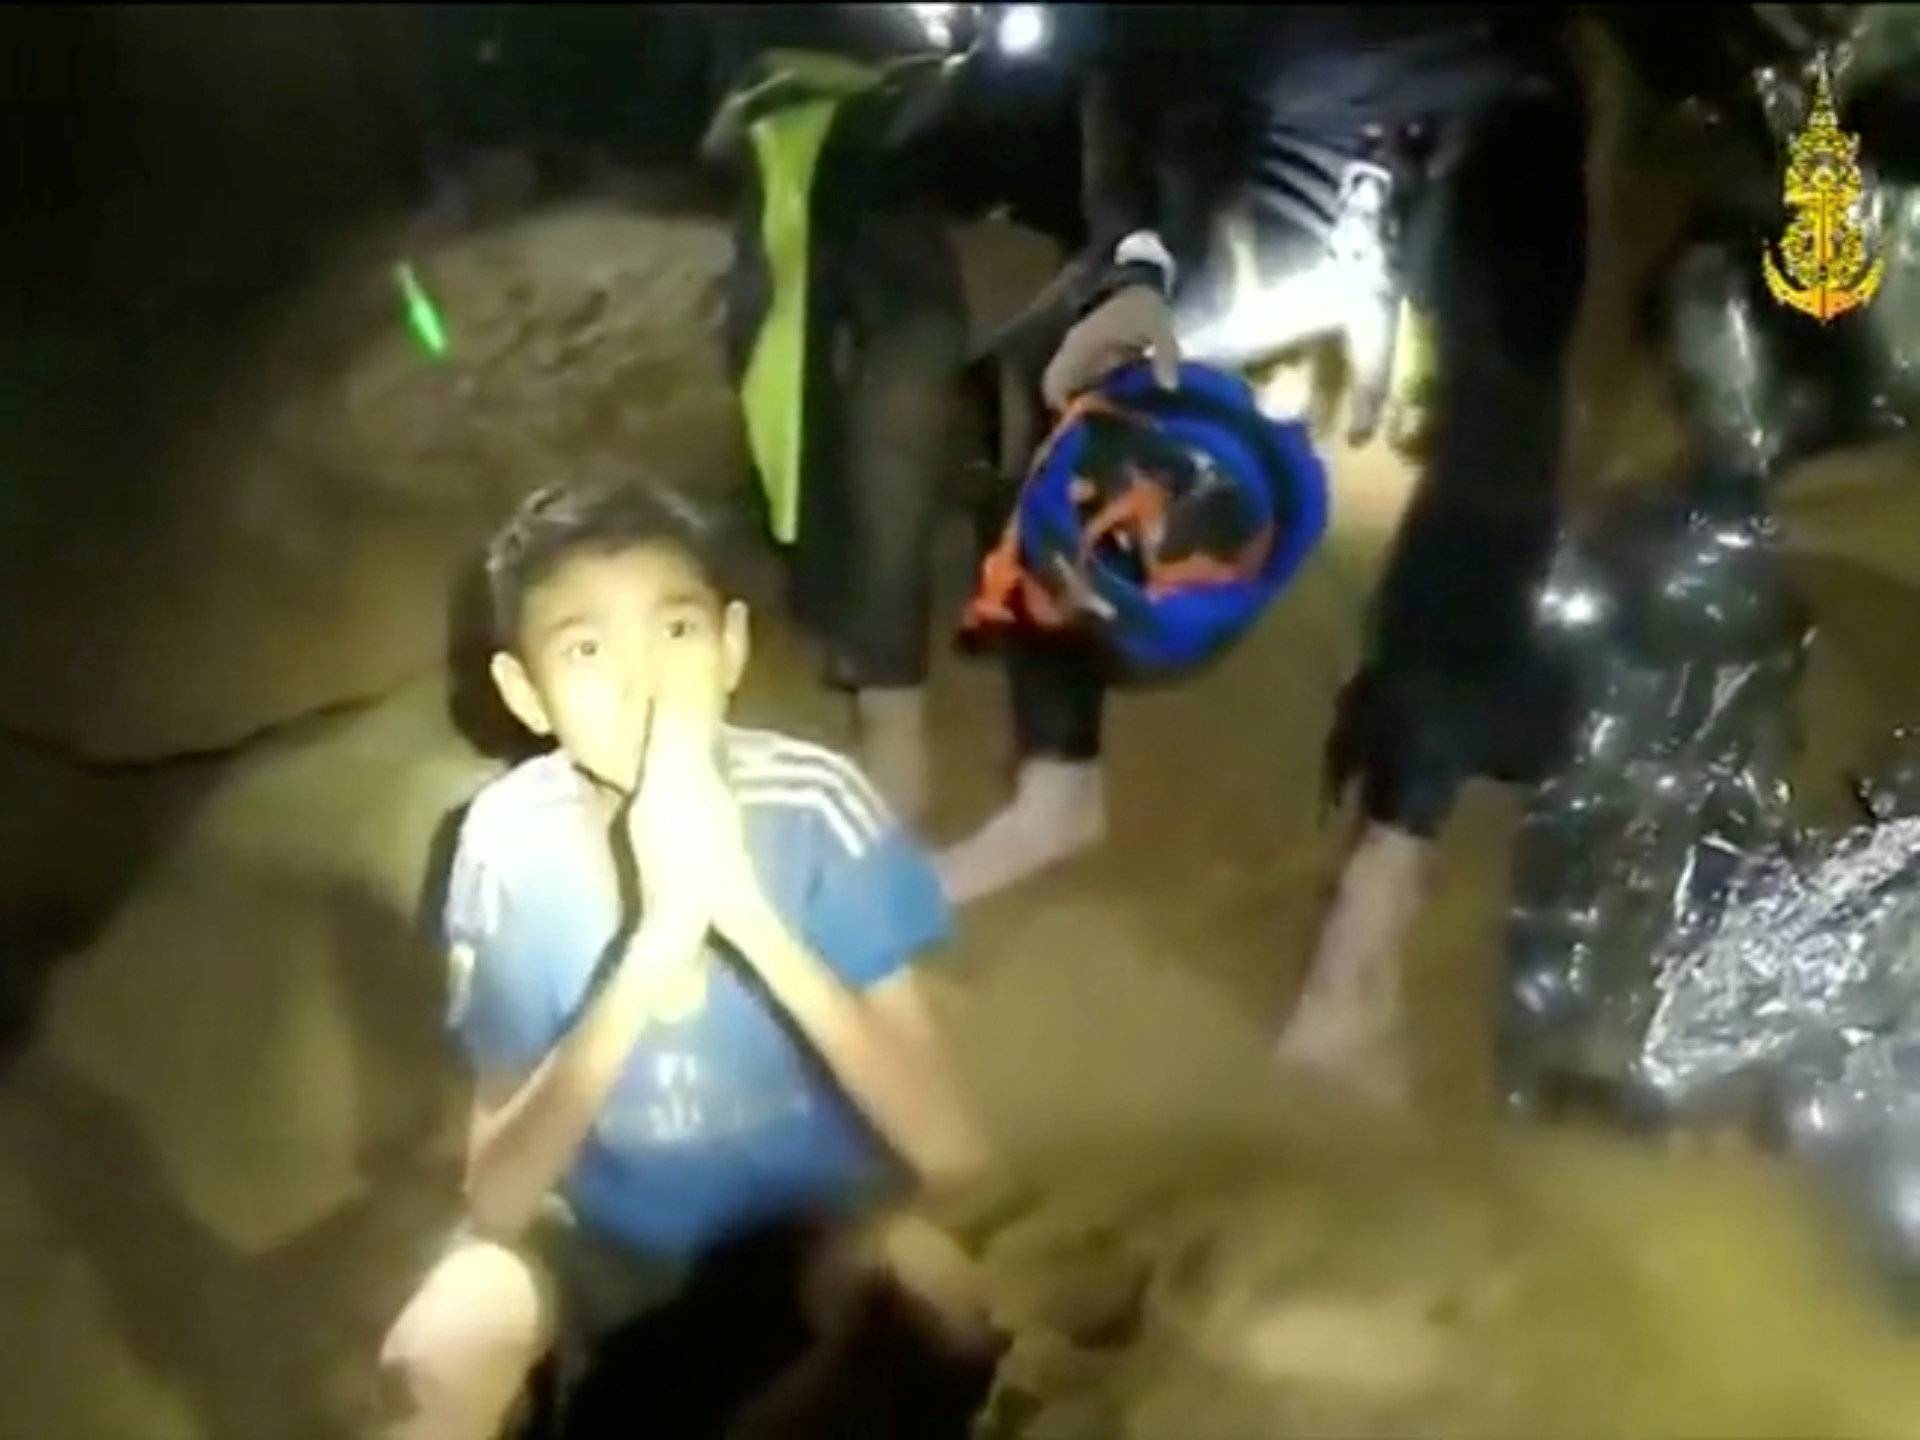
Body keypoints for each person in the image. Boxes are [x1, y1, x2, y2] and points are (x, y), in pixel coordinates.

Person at [937, 7, 1592, 1104]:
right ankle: (1058, 789)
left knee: (1503, 437)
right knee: (1038, 374)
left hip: (1487, 127)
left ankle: (1368, 939)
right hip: (1293, 159)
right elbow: (1131, 85)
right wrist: (1138, 268)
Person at [376, 482, 993, 1440]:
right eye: (587, 649)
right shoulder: (506, 846)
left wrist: (741, 909)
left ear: (732, 645)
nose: (646, 682)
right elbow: (497, 1191)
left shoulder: (815, 803)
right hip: (599, 1244)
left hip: (812, 1226)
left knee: (938, 1307)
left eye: (676, 632)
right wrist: (658, 938)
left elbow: (952, 1146)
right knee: (439, 1353)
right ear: (524, 693)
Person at [701, 8, 973, 825]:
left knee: (905, 354)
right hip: (778, 97)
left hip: (934, 99)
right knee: (783, 354)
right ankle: (842, 620)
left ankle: (891, 697)